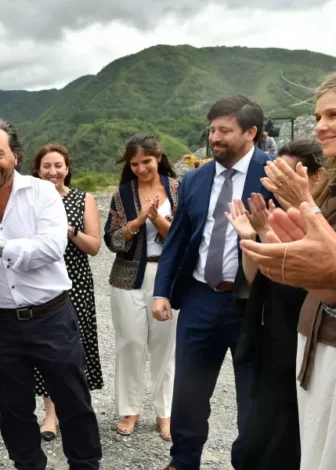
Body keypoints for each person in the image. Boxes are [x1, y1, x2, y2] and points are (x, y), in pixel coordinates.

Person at [0, 117, 102, 470]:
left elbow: (51, 247)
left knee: (74, 402)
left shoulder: (42, 193)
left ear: (15, 156)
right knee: (13, 409)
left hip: (51, 316)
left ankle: (85, 465)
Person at [152, 95, 273, 470]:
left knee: (252, 392)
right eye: (212, 129)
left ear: (251, 133)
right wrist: (161, 291)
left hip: (252, 303)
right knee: (189, 389)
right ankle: (183, 460)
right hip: (201, 297)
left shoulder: (272, 175)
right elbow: (177, 239)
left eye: (225, 130)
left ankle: (247, 461)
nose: (215, 138)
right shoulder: (195, 178)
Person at [242, 73, 336, 470]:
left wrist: (304, 205)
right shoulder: (331, 186)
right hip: (316, 342)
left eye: (333, 114)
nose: (321, 126)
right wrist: (270, 240)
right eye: (318, 116)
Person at [228, 139, 325, 470]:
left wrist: (273, 237)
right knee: (257, 442)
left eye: (289, 174)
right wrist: (251, 239)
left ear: (318, 177)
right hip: (271, 351)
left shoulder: (324, 226)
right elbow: (257, 283)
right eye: (274, 175)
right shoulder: (276, 217)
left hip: (304, 355)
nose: (277, 184)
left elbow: (308, 288)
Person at [104, 133, 179, 441]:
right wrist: (136, 222)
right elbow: (112, 240)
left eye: (146, 161)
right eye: (134, 164)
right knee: (130, 344)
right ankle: (130, 409)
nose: (140, 168)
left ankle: (165, 414)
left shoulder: (178, 189)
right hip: (128, 278)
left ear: (158, 157)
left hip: (168, 276)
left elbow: (184, 235)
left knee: (165, 348)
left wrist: (158, 221)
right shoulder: (122, 195)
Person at [29, 143, 103, 442]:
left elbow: (95, 247)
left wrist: (69, 230)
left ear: (67, 169)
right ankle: (50, 415)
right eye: (46, 166)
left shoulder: (82, 199)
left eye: (58, 165)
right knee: (47, 350)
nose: (52, 171)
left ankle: (77, 411)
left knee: (77, 349)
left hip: (77, 283)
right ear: (37, 170)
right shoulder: (30, 202)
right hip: (43, 284)